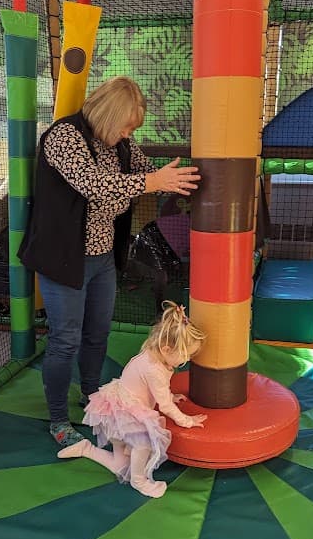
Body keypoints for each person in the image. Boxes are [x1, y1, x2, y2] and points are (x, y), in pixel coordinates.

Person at [18, 77, 200, 447]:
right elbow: (93, 184)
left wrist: (178, 179)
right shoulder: (65, 137)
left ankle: (91, 395)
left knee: (98, 332)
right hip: (63, 258)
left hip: (101, 257)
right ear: (108, 116)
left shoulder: (119, 144)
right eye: (126, 126)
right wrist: (152, 182)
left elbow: (148, 172)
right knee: (65, 340)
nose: (129, 134)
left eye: (132, 129)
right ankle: (58, 419)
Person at [57, 301, 207, 498]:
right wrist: (187, 421)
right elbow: (164, 406)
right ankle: (139, 481)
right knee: (143, 445)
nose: (185, 361)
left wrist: (171, 395)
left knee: (120, 467)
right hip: (126, 416)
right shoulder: (155, 370)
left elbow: (151, 388)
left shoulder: (152, 353)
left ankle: (86, 449)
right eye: (185, 356)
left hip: (116, 411)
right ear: (166, 349)